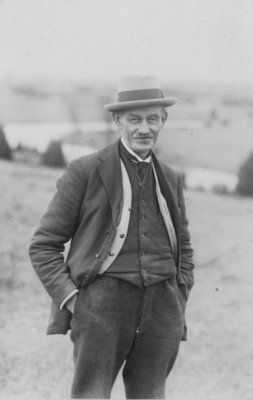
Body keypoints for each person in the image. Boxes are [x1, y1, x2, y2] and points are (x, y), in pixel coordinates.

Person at [29, 75, 195, 399]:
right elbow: (43, 245)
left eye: (152, 119)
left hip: (163, 307)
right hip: (101, 307)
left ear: (163, 120)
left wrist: (179, 292)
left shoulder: (172, 179)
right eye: (134, 119)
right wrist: (76, 301)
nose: (144, 128)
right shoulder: (85, 171)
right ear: (118, 120)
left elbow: (184, 247)